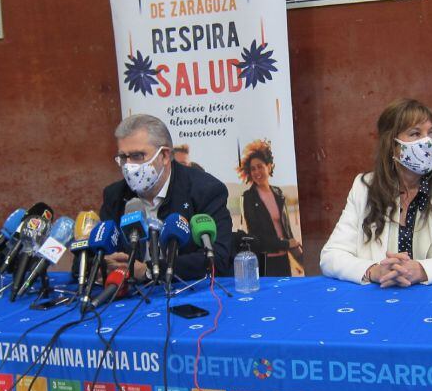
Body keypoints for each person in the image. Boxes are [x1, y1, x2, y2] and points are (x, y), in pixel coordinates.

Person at [320, 98, 432, 286]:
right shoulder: (365, 186)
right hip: (381, 299)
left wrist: (423, 270)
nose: (427, 142)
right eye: (415, 134)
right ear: (391, 144)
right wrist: (375, 270)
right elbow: (331, 256)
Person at [100, 114, 233, 278]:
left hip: (188, 296)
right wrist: (103, 264)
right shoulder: (115, 196)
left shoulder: (205, 190)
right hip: (131, 298)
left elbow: (218, 259)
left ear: (164, 156)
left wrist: (148, 271)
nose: (129, 166)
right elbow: (86, 262)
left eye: (137, 156)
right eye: (123, 157)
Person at [238, 139, 302, 276]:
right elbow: (256, 236)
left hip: (284, 259)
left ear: (269, 166)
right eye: (253, 169)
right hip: (265, 261)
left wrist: (296, 256)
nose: (256, 172)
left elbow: (286, 231)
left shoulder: (278, 193)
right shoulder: (248, 198)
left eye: (260, 166)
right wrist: (285, 244)